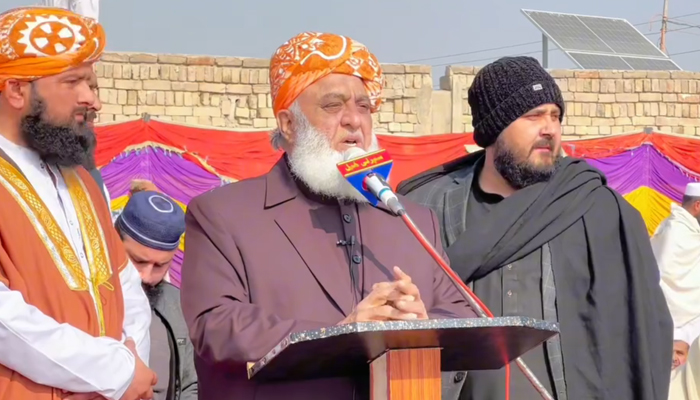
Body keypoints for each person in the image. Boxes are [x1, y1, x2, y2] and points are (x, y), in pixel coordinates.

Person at [180, 31, 476, 400]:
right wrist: (342, 333)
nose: (354, 120)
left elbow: (463, 316)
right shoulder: (223, 214)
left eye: (364, 107)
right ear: (288, 124)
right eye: (333, 106)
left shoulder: (412, 220)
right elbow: (217, 325)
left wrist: (419, 324)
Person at [396, 56, 673, 400]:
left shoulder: (599, 209)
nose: (550, 128)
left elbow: (645, 331)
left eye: (555, 116)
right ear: (494, 128)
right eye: (533, 116)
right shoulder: (426, 206)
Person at [0, 7, 155, 400]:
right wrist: (113, 373)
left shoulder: (83, 180)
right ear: (17, 90)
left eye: (91, 83)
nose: (92, 100)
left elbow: (127, 289)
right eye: (73, 82)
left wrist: (126, 376)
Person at [116, 188, 198, 400]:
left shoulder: (178, 304)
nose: (146, 276)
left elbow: (190, 384)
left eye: (160, 265)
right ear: (114, 243)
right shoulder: (85, 299)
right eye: (138, 261)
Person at [652, 182, 700, 369]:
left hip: (691, 321)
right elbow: (664, 277)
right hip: (673, 322)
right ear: (698, 206)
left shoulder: (690, 232)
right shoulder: (675, 230)